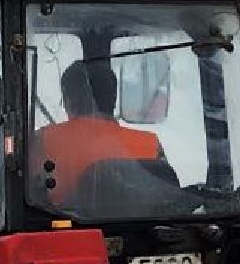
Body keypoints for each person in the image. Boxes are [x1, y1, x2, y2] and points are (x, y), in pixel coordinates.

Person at [33, 60, 167, 208]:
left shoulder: (42, 141)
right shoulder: (150, 143)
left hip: (70, 230)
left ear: (69, 101)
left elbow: (32, 199)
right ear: (114, 99)